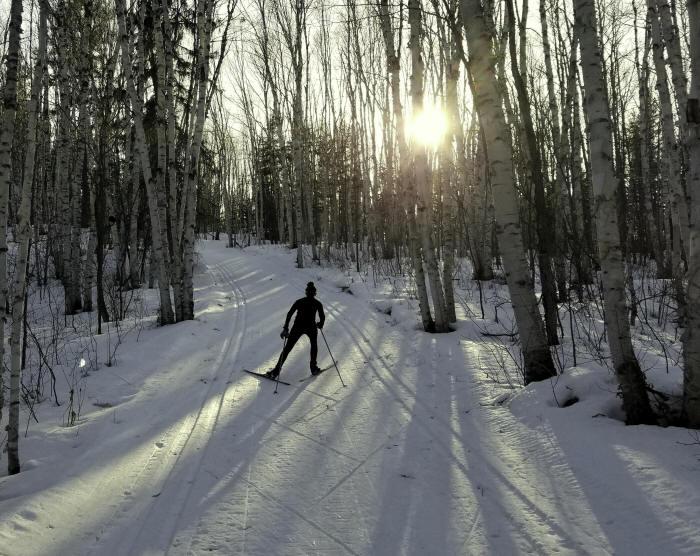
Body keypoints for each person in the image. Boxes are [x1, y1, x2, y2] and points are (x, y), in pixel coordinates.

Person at [267, 282, 325, 379]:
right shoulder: (317, 303)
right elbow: (322, 317)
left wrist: (286, 328)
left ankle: (276, 372)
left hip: (298, 326)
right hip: (311, 327)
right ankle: (313, 368)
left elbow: (289, 314)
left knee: (287, 349)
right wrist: (320, 324)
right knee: (314, 346)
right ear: (315, 293)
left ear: (306, 292)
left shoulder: (299, 301)